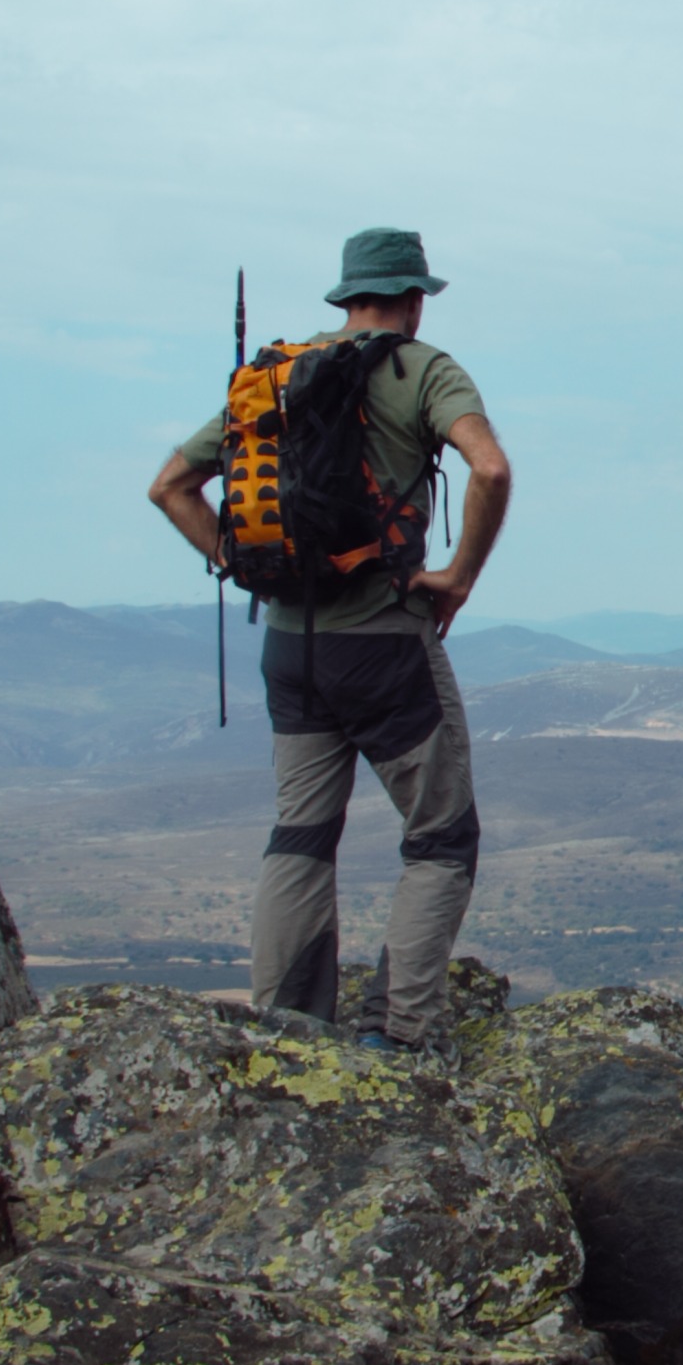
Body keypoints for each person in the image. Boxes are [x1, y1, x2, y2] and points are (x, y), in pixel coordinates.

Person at [147, 226, 514, 1054]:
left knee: (302, 833)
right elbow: (488, 469)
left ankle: (288, 1031)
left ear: (346, 299)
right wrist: (458, 577)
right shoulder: (422, 368)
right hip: (385, 644)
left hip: (290, 647)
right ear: (414, 298)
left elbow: (169, 485)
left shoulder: (274, 376)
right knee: (440, 836)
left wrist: (243, 565)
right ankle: (400, 1033)